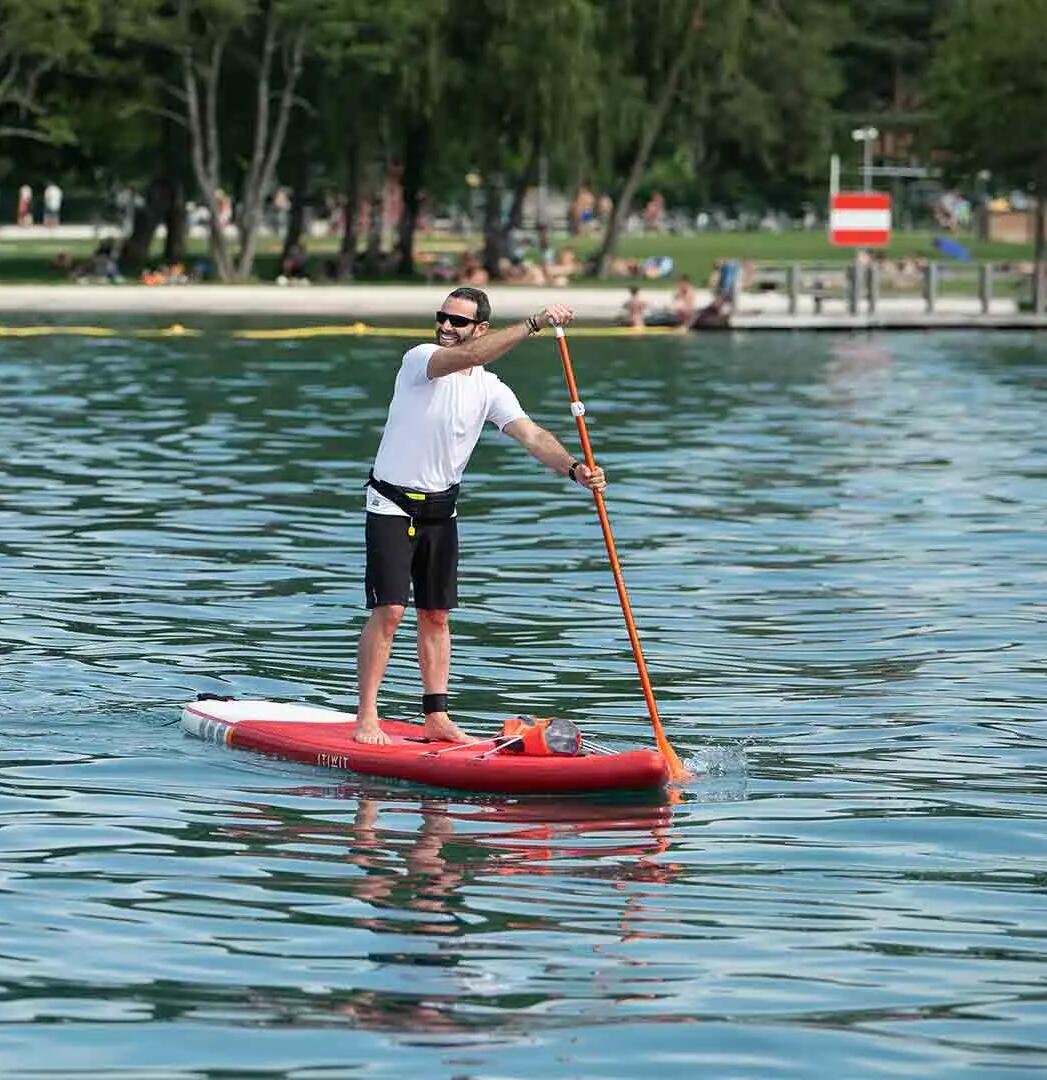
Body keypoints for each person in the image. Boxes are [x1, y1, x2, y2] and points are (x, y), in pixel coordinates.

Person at [354, 288, 606, 745]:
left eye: (459, 322)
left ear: (481, 327)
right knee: (390, 610)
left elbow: (531, 435)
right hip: (390, 504)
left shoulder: (490, 388)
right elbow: (461, 357)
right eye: (442, 318)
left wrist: (575, 469)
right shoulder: (421, 360)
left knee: (436, 615)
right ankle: (367, 717)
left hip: (441, 510)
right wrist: (533, 324)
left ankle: (436, 717)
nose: (446, 327)